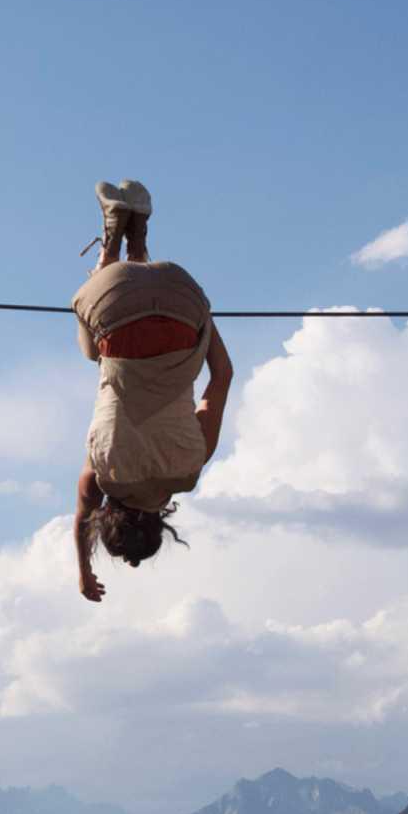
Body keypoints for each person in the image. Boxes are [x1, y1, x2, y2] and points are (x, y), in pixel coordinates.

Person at [71, 180, 234, 602]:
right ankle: (114, 238)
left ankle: (137, 233)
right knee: (94, 352)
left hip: (183, 294)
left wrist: (204, 321)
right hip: (113, 299)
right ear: (109, 517)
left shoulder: (190, 468)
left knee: (130, 337)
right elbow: (82, 514)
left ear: (161, 522)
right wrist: (83, 572)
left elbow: (221, 376)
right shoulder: (103, 476)